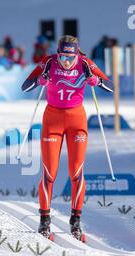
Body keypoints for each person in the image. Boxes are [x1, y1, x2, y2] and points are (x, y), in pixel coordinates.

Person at [21, 35, 113, 242]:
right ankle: (44, 221)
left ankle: (76, 221)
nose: (66, 62)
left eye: (70, 57)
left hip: (76, 120)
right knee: (49, 173)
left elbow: (111, 86)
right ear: (58, 52)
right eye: (62, 56)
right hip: (52, 119)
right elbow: (25, 86)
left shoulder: (86, 64)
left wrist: (96, 81)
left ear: (77, 53)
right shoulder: (48, 62)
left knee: (76, 172)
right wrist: (39, 80)